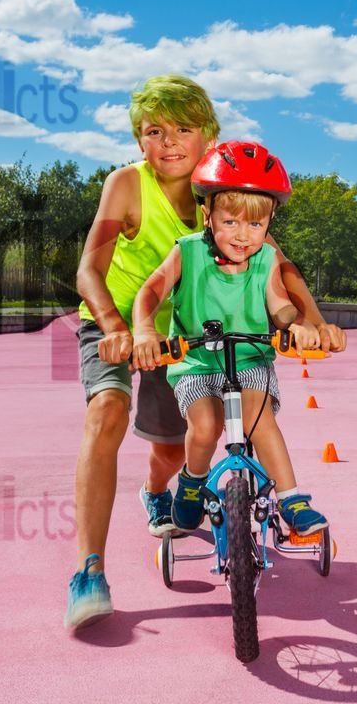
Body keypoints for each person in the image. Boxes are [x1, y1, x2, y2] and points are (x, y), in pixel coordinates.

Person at [66, 76, 344, 631]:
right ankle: (88, 571)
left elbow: (279, 266)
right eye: (153, 131)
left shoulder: (225, 188)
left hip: (194, 336)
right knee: (107, 414)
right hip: (123, 325)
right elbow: (87, 270)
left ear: (208, 135)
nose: (168, 142)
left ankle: (156, 491)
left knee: (179, 449)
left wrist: (312, 323)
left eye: (183, 129)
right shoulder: (127, 184)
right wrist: (125, 329)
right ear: (138, 139)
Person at [129, 141, 330, 537]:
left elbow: (281, 306)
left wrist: (297, 326)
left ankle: (291, 498)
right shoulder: (186, 253)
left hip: (251, 361)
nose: (243, 235)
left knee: (260, 421)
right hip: (197, 363)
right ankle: (191, 483)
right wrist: (145, 329)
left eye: (256, 225)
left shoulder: (266, 260)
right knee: (204, 427)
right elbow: (149, 293)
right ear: (208, 215)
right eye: (231, 222)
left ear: (269, 224)